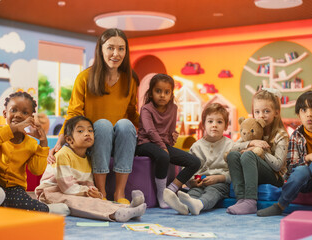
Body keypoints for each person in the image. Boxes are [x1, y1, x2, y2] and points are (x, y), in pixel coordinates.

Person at [50, 28, 139, 204]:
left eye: (121, 49)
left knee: (126, 125)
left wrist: (156, 130)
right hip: (92, 142)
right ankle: (101, 192)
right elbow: (74, 112)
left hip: (119, 142)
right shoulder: (84, 78)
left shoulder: (131, 79)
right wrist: (60, 140)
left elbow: (131, 113)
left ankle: (119, 193)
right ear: (101, 49)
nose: (116, 53)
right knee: (103, 125)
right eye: (111, 48)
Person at [36, 116, 146, 222]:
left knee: (92, 199)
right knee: (82, 202)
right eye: (80, 131)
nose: (87, 133)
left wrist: (96, 194)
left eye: (90, 130)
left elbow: (88, 183)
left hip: (71, 191)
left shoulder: (88, 159)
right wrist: (88, 191)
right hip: (51, 193)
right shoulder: (63, 155)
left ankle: (127, 207)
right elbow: (67, 188)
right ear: (69, 139)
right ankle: (116, 214)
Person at [0, 92, 69, 215]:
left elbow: (36, 170)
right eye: (13, 110)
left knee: (23, 203)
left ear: (31, 118)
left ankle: (47, 209)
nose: (18, 115)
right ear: (5, 114)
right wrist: (14, 129)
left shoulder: (31, 144)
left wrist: (43, 142)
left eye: (24, 112)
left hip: (14, 189)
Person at [135, 74, 200, 209]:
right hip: (145, 144)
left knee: (195, 162)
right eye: (158, 91)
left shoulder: (173, 108)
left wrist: (172, 138)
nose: (162, 95)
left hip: (162, 145)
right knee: (163, 155)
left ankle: (171, 190)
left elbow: (170, 131)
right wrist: (163, 146)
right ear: (151, 93)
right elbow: (150, 131)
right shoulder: (146, 109)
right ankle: (161, 196)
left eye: (166, 92)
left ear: (171, 94)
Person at [226, 89, 289, 215]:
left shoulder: (281, 135)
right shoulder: (252, 129)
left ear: (276, 112)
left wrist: (260, 151)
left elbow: (277, 165)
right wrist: (251, 143)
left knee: (249, 155)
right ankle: (241, 200)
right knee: (233, 155)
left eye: (266, 111)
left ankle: (250, 202)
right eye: (257, 111)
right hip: (254, 172)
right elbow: (231, 149)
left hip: (275, 177)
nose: (261, 115)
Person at [164, 103, 234, 215]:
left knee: (212, 193)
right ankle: (185, 207)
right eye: (210, 121)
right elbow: (187, 168)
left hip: (219, 184)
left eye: (219, 122)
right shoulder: (196, 146)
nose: (214, 125)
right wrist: (191, 181)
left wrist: (220, 178)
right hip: (199, 183)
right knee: (193, 192)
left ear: (225, 126)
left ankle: (199, 204)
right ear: (203, 125)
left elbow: (235, 172)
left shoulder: (231, 146)